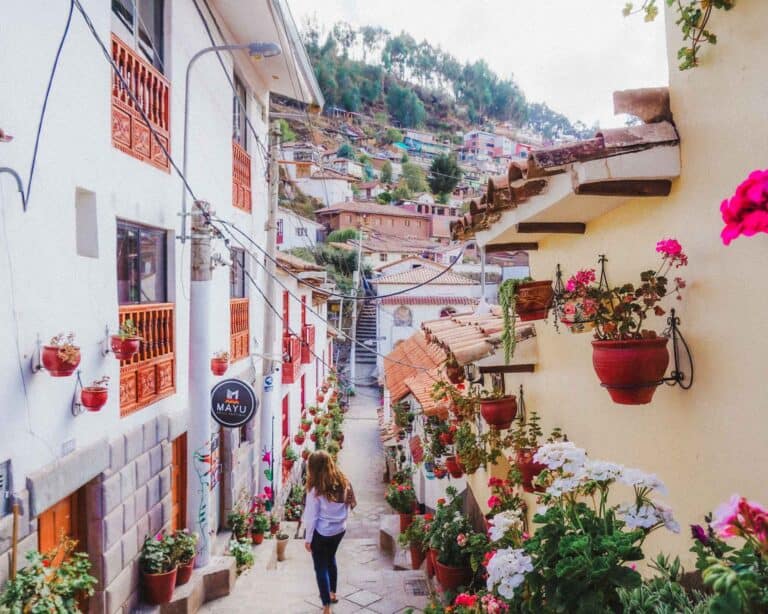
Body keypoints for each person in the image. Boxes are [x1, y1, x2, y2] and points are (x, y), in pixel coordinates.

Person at [302, 450, 356, 613]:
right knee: (331, 558)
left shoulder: (316, 490)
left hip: (322, 533)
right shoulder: (343, 481)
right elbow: (348, 504)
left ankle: (326, 606)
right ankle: (332, 593)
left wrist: (308, 539)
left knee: (320, 567)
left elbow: (311, 517)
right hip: (339, 530)